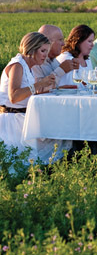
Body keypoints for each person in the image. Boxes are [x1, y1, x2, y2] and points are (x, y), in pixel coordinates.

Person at [0, 32, 60, 162]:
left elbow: (28, 93)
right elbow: (14, 96)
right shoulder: (17, 65)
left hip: (24, 119)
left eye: (47, 51)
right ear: (32, 48)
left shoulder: (28, 67)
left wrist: (47, 88)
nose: (45, 55)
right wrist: (39, 84)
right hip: (13, 123)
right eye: (42, 50)